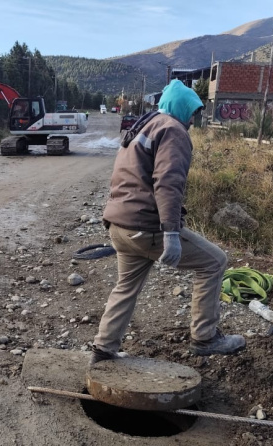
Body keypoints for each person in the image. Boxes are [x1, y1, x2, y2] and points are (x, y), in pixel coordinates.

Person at [90, 80, 245, 366]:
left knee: (126, 286)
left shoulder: (142, 126)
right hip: (146, 227)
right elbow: (168, 183)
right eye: (193, 111)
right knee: (214, 261)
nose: (193, 119)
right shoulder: (172, 130)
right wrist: (171, 232)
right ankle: (205, 337)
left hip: (119, 226)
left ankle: (103, 350)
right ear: (182, 107)